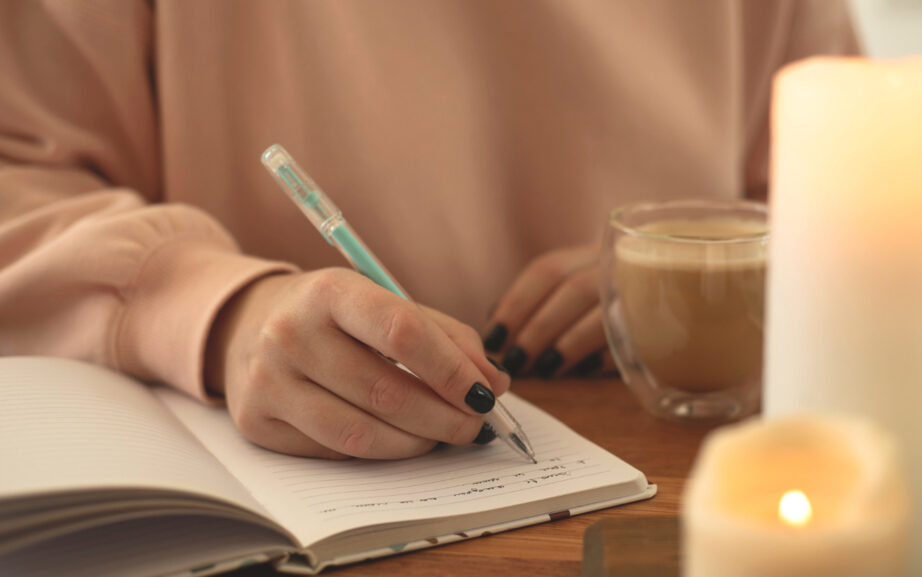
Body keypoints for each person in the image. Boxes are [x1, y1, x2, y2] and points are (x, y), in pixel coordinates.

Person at [0, 0, 858, 460]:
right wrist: (222, 310)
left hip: (688, 463)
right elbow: (22, 176)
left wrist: (697, 277)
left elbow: (861, 189)